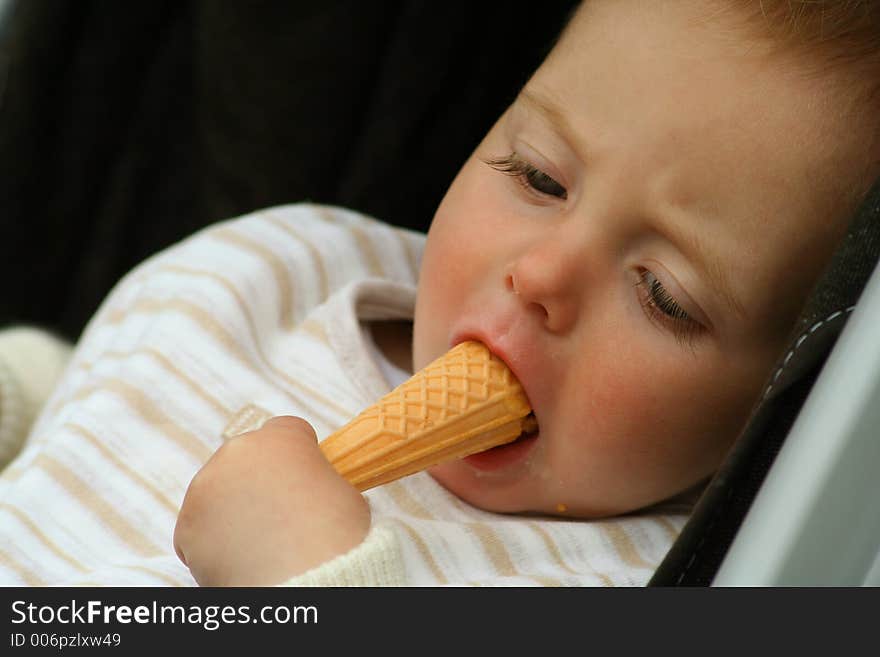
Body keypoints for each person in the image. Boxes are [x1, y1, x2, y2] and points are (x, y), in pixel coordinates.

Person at [1, 0, 878, 586]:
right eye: (536, 175)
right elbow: (111, 393)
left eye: (665, 296)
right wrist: (27, 394)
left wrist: (317, 580)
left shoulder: (642, 575)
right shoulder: (291, 266)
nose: (541, 274)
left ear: (759, 415)